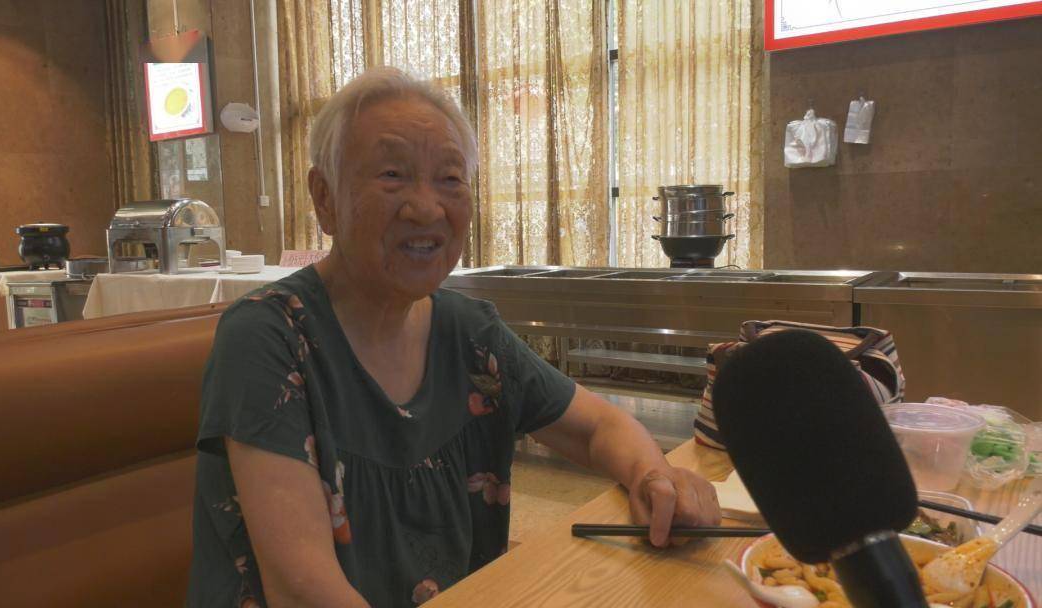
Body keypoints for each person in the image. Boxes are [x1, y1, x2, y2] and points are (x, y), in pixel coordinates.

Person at [187, 67, 719, 608]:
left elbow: (598, 427)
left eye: (449, 178)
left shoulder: (469, 334)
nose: (427, 207)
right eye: (392, 174)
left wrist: (654, 477)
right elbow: (301, 591)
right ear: (324, 197)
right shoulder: (267, 339)